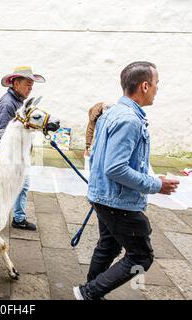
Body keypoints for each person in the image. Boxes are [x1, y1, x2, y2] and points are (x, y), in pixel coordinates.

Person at [73, 61, 180, 300]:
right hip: (118, 202)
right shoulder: (129, 120)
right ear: (144, 86)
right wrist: (156, 185)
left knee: (109, 245)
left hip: (104, 196)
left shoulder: (112, 113)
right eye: (156, 84)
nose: (157, 88)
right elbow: (116, 168)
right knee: (141, 256)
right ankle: (88, 293)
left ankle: (90, 293)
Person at [0, 66, 45, 231]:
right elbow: (2, 133)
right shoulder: (7, 104)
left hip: (17, 156)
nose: (30, 88)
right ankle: (15, 218)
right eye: (27, 84)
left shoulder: (19, 102)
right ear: (16, 83)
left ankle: (16, 217)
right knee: (17, 186)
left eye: (32, 85)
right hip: (9, 157)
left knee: (19, 186)